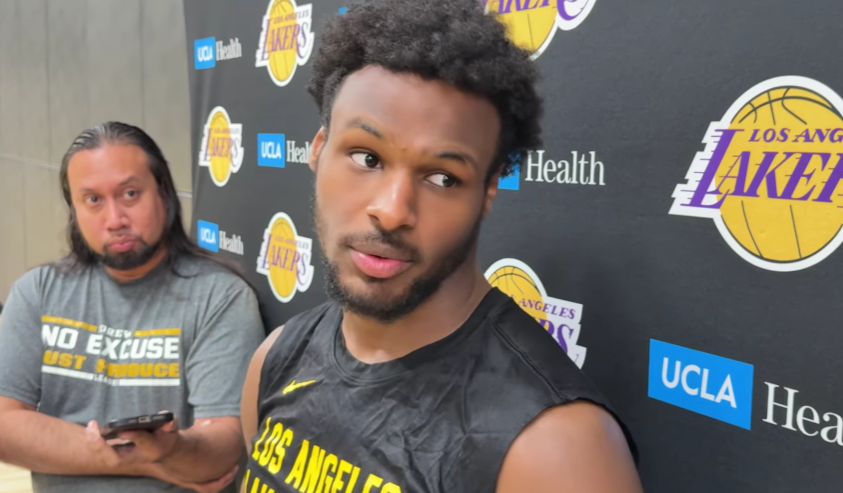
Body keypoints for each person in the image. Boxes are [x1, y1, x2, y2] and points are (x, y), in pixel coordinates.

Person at [239, 1, 642, 492]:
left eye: (443, 177)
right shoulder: (276, 358)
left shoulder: (555, 448)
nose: (392, 210)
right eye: (367, 157)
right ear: (319, 150)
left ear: (488, 191)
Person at [0, 122, 265, 492]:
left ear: (164, 194)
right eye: (93, 200)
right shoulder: (38, 292)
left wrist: (173, 449)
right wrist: (143, 461)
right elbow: (5, 426)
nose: (115, 220)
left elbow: (223, 450)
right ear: (74, 210)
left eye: (130, 194)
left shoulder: (220, 298)